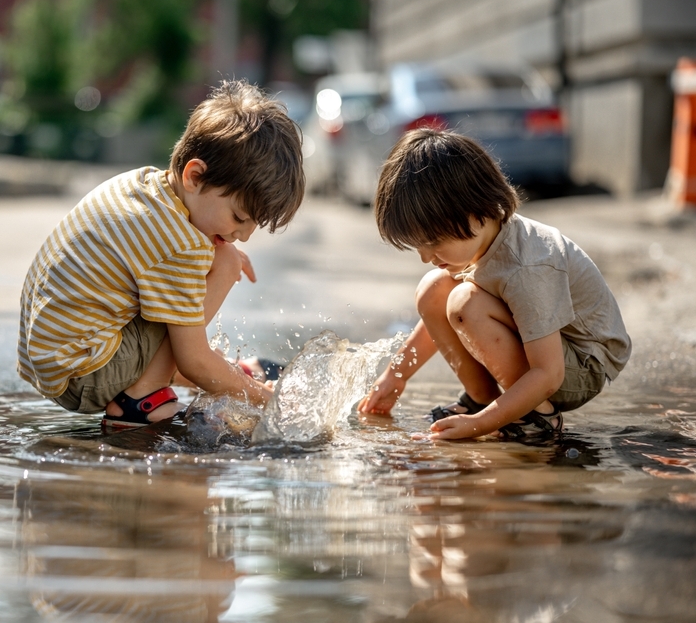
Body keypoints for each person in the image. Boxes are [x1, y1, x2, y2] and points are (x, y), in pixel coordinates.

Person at [17, 79, 304, 429]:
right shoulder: (179, 243)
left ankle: (215, 372)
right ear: (195, 176)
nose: (241, 235)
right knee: (225, 263)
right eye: (239, 218)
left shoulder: (144, 186)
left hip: (46, 358)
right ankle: (142, 399)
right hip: (82, 374)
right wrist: (270, 401)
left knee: (199, 281)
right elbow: (192, 361)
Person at [358, 128, 631, 440]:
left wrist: (480, 426)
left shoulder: (528, 263)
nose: (425, 257)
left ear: (475, 214)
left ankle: (537, 417)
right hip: (548, 355)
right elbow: (433, 317)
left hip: (581, 364)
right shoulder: (483, 241)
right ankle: (482, 398)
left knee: (465, 303)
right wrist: (395, 375)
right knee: (434, 289)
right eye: (418, 247)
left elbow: (549, 373)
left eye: (433, 243)